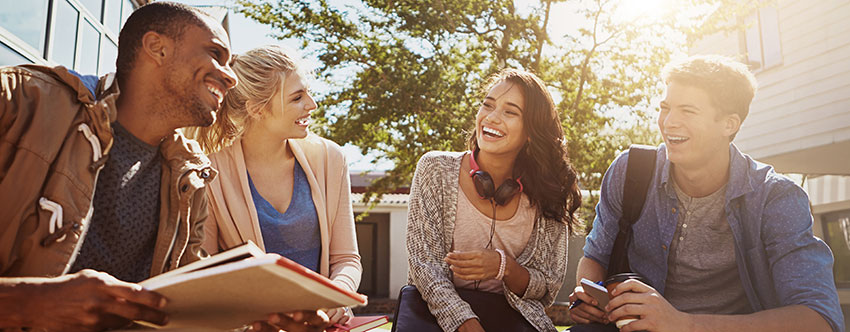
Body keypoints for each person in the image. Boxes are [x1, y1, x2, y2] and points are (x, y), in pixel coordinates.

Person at [0, 3, 325, 331]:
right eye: (215, 54)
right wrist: (27, 303)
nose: (230, 77)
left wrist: (252, 318)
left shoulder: (191, 179)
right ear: (158, 48)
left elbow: (174, 316)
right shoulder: (19, 103)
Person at [568, 55, 845, 332]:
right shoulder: (630, 171)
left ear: (729, 124)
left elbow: (819, 320)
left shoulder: (775, 198)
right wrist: (590, 297)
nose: (669, 122)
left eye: (687, 111)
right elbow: (596, 257)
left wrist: (682, 323)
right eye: (665, 108)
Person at [189, 45, 362, 329]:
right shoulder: (209, 173)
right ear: (257, 109)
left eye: (307, 92)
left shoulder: (331, 158)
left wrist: (337, 296)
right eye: (297, 97)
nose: (312, 105)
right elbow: (204, 273)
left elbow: (346, 259)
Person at [406, 68, 583, 332]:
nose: (491, 117)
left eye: (510, 112)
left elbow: (547, 287)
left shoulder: (549, 193)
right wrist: (463, 321)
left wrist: (504, 267)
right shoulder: (434, 169)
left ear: (531, 131)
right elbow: (424, 266)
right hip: (436, 322)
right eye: (488, 105)